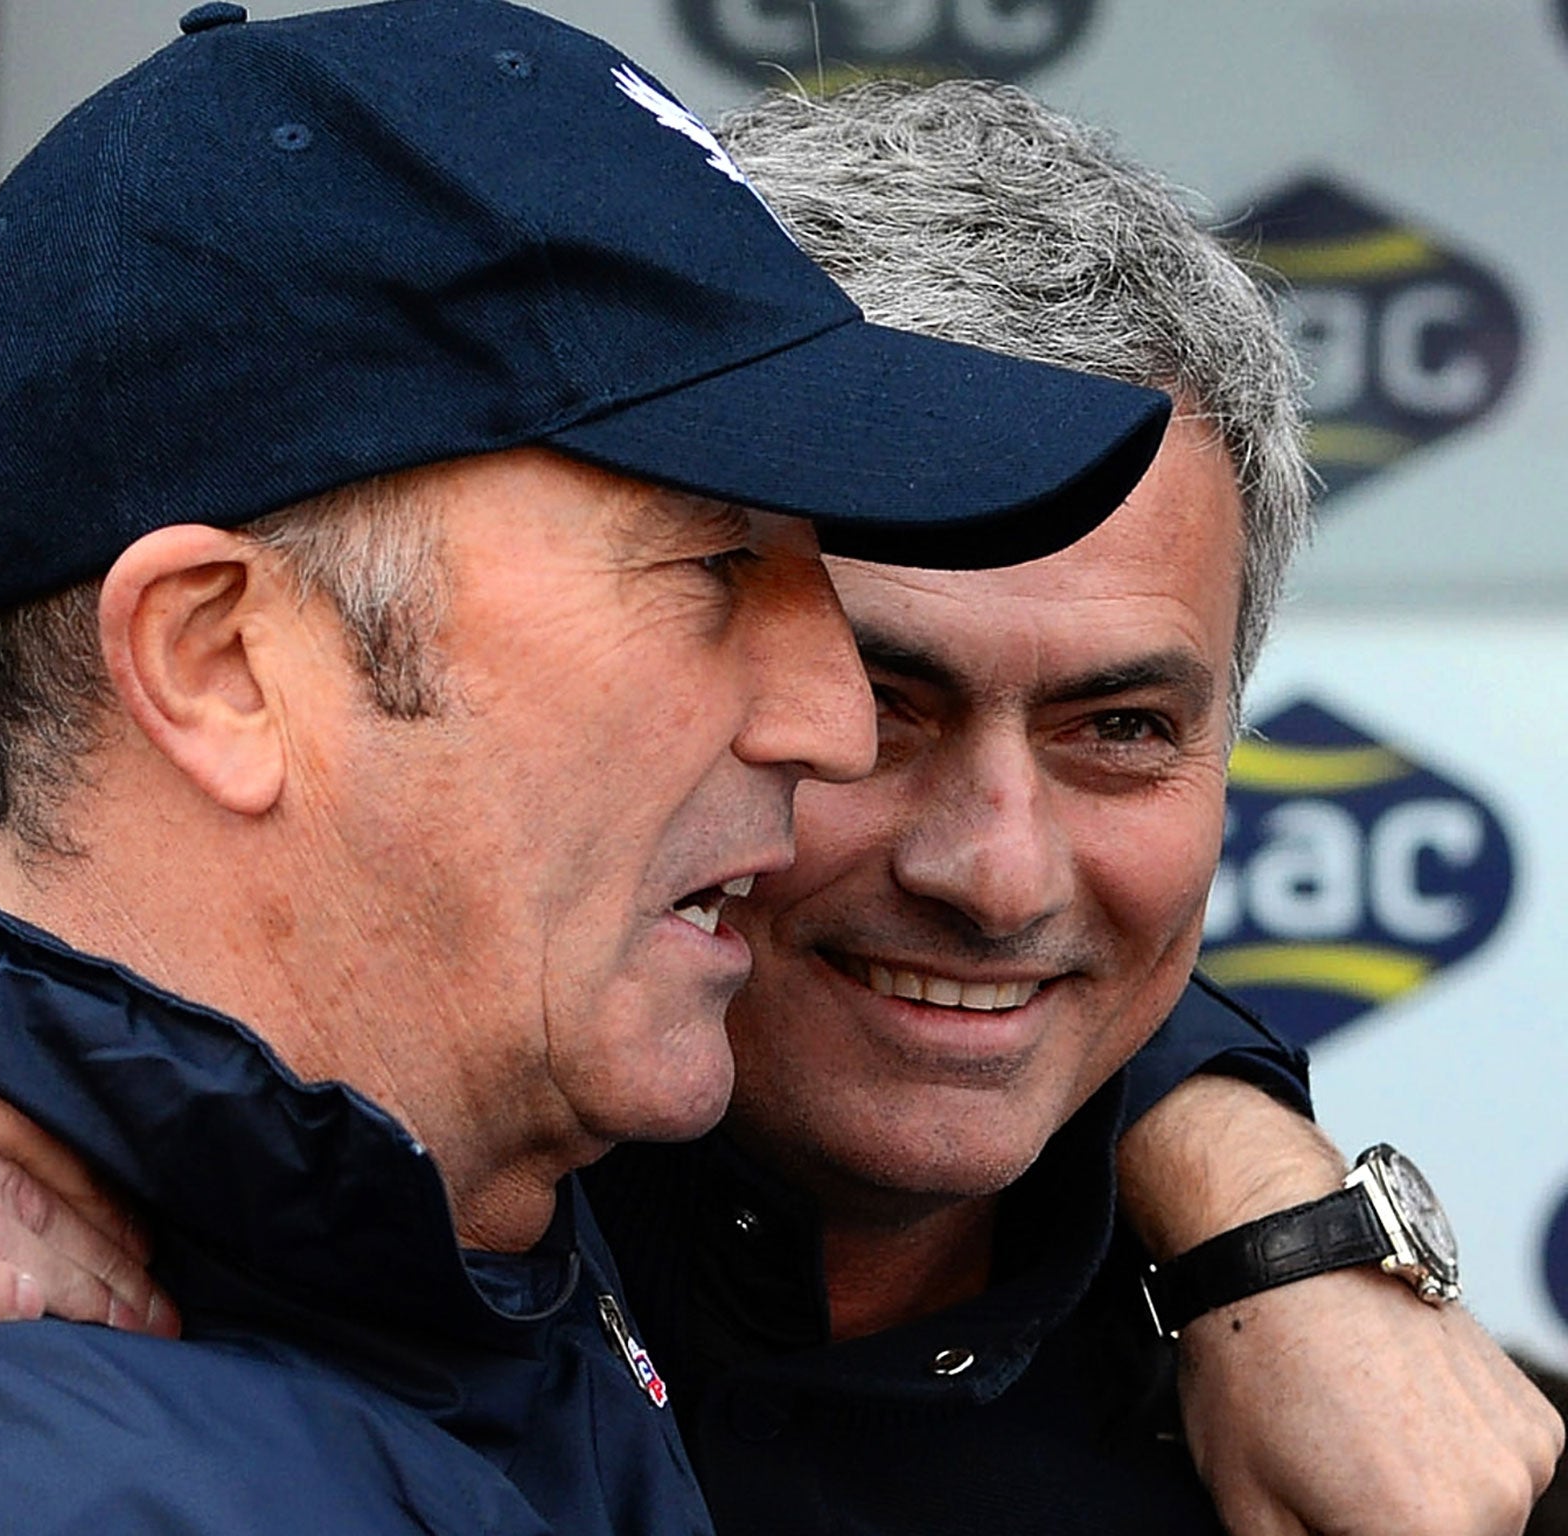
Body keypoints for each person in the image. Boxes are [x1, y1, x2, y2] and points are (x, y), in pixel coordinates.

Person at [0, 41, 1551, 1536]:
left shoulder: (480, 1224)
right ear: (217, 663)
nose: (852, 746)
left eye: (1122, 727)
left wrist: (1259, 1216)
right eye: (720, 581)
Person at [579, 76, 1558, 1536]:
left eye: (1119, 727)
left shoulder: (1430, 1487)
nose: (997, 870)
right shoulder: (254, 1316)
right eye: (877, 702)